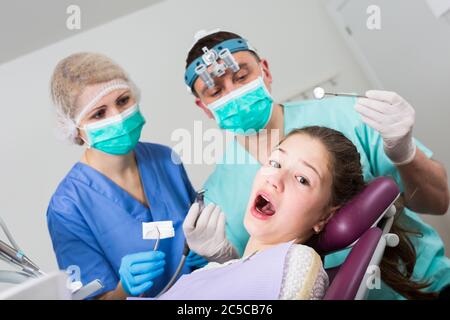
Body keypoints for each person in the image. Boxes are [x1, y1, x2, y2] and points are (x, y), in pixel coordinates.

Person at [182, 30, 450, 299]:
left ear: (265, 70)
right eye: (215, 90)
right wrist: (225, 260)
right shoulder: (218, 194)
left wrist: (405, 154)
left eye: (241, 76)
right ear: (204, 108)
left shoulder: (346, 115)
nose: (234, 93)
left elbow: (438, 202)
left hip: (426, 287)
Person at [176, 127, 438, 299]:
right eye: (275, 162)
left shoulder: (296, 264)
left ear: (324, 217)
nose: (276, 178)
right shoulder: (228, 269)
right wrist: (224, 264)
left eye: (302, 179)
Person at [47, 52, 206, 299]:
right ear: (75, 129)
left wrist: (207, 249)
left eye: (122, 101)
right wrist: (123, 290)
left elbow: (199, 229)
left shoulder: (166, 159)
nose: (118, 116)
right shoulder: (67, 207)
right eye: (99, 113)